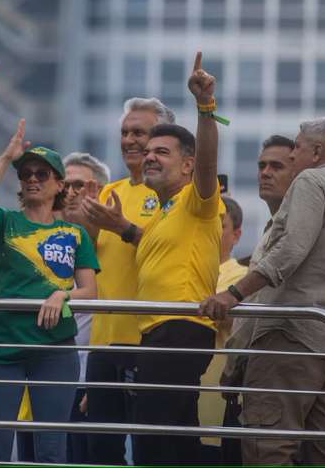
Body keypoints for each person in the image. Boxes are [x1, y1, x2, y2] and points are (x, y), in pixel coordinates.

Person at [200, 117, 325, 465]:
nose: (293, 154)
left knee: (268, 446)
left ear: (317, 151)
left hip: (290, 337)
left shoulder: (310, 180)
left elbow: (291, 249)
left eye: (298, 146)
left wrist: (234, 293)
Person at [84, 51, 223, 464]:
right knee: (172, 443)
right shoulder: (164, 210)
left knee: (153, 443)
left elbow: (209, 158)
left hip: (179, 327)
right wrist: (118, 226)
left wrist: (205, 106)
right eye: (149, 151)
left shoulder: (196, 201)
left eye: (162, 152)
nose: (148, 156)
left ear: (188, 165)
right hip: (157, 332)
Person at [0, 120, 99, 463]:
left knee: (52, 449)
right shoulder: (6, 221)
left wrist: (62, 295)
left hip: (54, 349)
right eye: (26, 173)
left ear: (59, 184)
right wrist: (5, 158)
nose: (33, 179)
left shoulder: (74, 233)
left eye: (43, 174)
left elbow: (90, 291)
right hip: (0, 346)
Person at [80, 97, 174, 465]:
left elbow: (167, 253)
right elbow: (89, 261)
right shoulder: (109, 192)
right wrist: (87, 227)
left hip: (147, 342)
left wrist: (122, 228)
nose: (131, 140)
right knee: (100, 452)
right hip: (103, 344)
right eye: (125, 132)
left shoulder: (174, 195)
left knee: (151, 451)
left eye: (140, 132)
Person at [16, 152, 110, 463]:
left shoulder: (112, 245)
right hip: (35, 381)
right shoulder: (36, 242)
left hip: (87, 383)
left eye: (80, 185)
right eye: (65, 184)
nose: (70, 192)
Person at [218, 134, 295, 464]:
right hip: (247, 374)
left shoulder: (296, 227)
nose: (265, 172)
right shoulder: (271, 227)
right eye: (262, 165)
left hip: (281, 365)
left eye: (276, 166)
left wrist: (232, 294)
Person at [198, 196, 246, 462]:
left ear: (237, 235)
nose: (212, 230)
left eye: (220, 224)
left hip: (214, 400)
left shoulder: (239, 277)